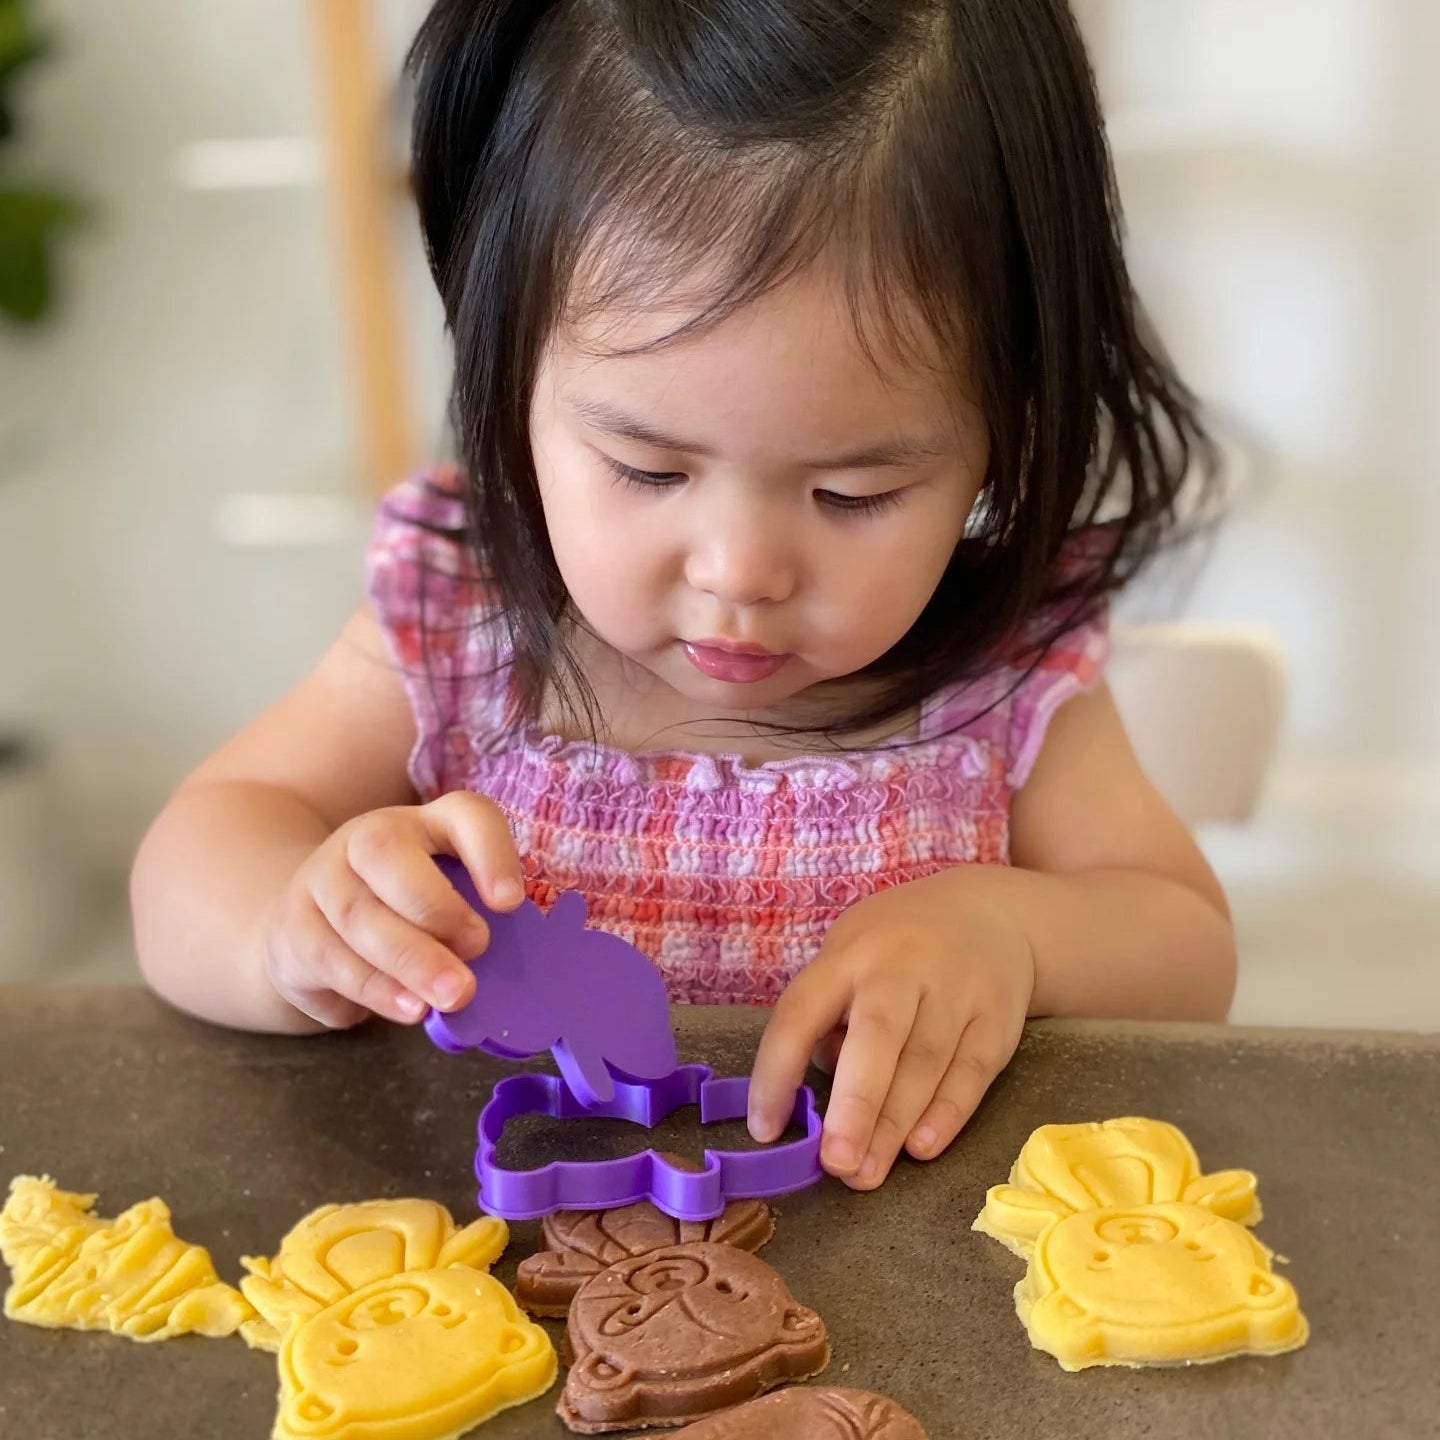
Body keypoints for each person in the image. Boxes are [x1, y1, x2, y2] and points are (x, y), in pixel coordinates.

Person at [132, 0, 1236, 1192]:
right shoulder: (458, 625)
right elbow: (203, 848)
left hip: (916, 1286)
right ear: (508, 375)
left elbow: (1186, 948)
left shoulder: (1001, 676)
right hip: (495, 1279)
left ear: (1006, 426)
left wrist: (1010, 933)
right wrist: (289, 927)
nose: (739, 573)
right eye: (650, 471)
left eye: (853, 493)